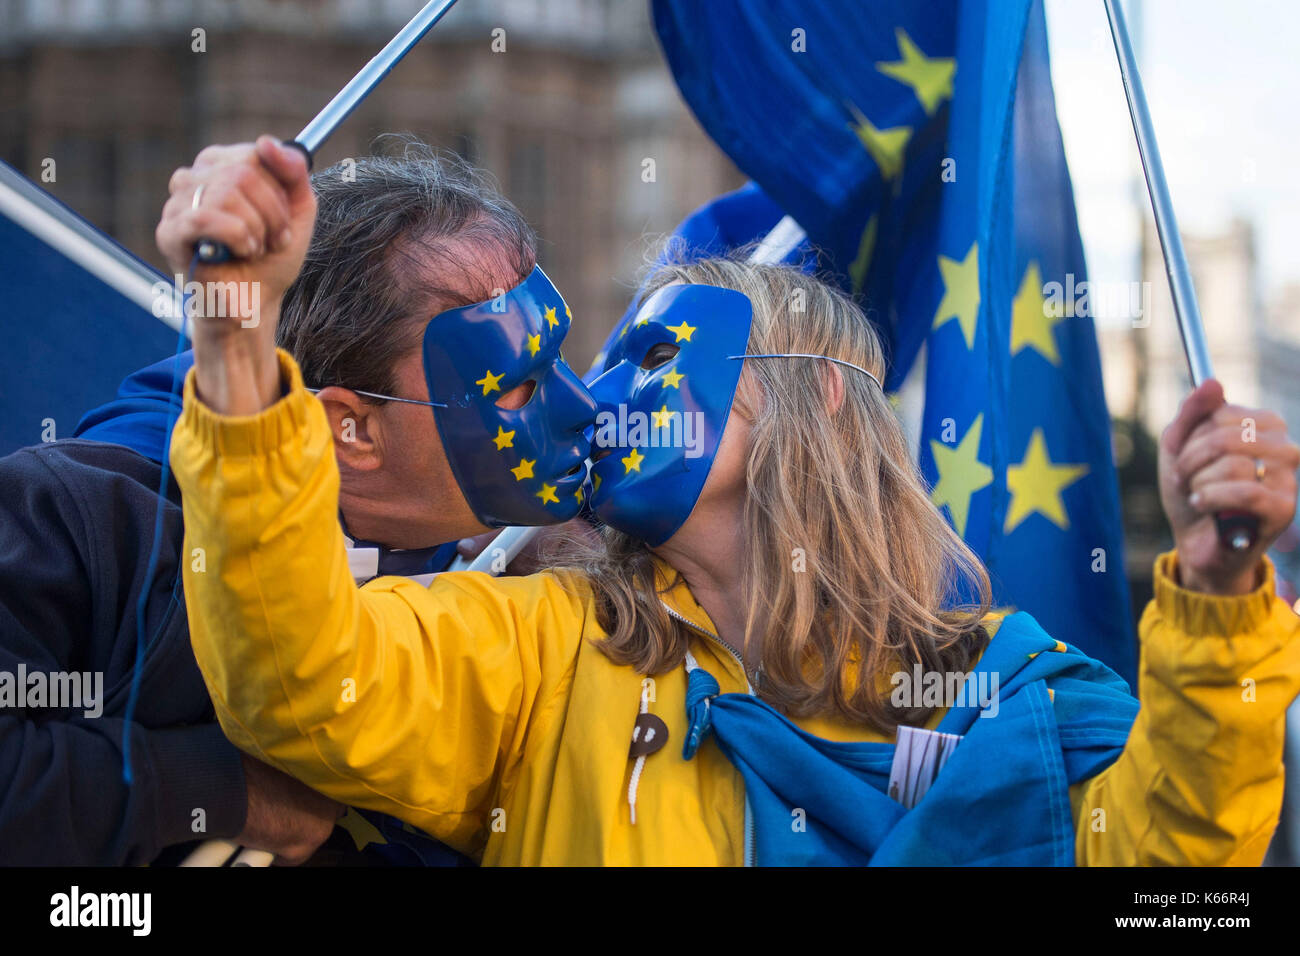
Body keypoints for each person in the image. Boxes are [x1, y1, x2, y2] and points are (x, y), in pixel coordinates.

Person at [170, 141, 1300, 864]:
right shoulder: (543, 653)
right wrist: (232, 340)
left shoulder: (1012, 691)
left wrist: (1217, 586)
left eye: (655, 352)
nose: (598, 394)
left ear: (809, 407)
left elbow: (1176, 859)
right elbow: (301, 682)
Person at [0, 135, 595, 865]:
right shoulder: (79, 521)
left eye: (558, 357)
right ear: (350, 429)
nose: (582, 407)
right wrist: (223, 792)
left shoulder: (505, 587)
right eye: (519, 384)